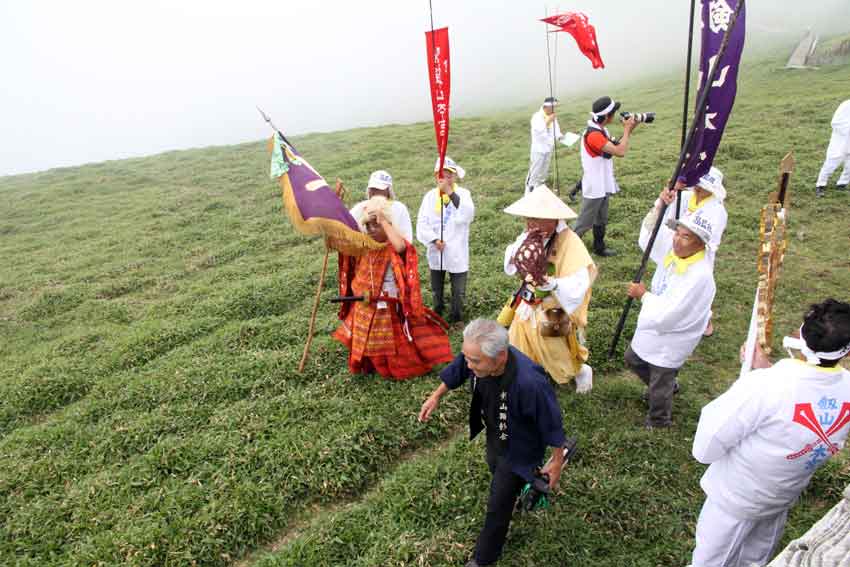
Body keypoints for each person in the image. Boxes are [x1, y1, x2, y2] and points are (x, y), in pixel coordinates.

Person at [688, 299, 850, 567]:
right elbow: (804, 396)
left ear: (802, 334)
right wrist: (766, 370)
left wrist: (757, 379)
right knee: (756, 557)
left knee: (711, 559)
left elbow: (707, 443)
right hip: (782, 494)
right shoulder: (842, 386)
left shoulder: (766, 385)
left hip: (736, 496)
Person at [418, 319, 567, 567]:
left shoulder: (529, 383)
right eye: (467, 357)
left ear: (500, 356)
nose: (468, 364)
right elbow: (459, 367)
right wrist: (436, 395)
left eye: (474, 361)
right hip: (497, 433)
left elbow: (551, 422)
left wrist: (558, 462)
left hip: (521, 445)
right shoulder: (477, 359)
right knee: (494, 465)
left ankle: (483, 559)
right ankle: (522, 484)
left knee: (498, 503)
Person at [333, 196, 452, 380]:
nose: (372, 229)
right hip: (365, 304)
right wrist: (335, 213)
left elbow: (401, 246)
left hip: (388, 304)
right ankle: (370, 366)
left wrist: (383, 220)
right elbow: (343, 245)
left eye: (376, 225)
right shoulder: (365, 245)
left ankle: (395, 368)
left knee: (392, 343)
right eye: (368, 226)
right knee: (367, 339)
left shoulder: (393, 245)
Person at [624, 200, 716, 428]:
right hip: (654, 326)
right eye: (677, 233)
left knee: (659, 378)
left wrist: (643, 296)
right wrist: (659, 204)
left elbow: (671, 314)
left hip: (672, 335)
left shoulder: (699, 276)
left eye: (686, 237)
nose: (676, 239)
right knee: (633, 358)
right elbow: (650, 235)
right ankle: (669, 387)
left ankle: (659, 420)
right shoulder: (676, 253)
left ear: (700, 245)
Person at [502, 185, 596, 392]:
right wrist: (520, 254)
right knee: (518, 342)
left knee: (556, 348)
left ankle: (580, 372)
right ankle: (529, 379)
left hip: (555, 304)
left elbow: (580, 281)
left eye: (536, 219)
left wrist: (552, 283)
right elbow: (512, 259)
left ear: (553, 219)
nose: (530, 224)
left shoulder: (570, 242)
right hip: (528, 301)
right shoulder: (530, 234)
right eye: (528, 219)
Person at [659, 167, 728, 336]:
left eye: (704, 187)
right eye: (697, 185)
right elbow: (670, 213)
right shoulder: (688, 197)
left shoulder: (717, 210)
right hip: (678, 248)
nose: (699, 189)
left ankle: (705, 320)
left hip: (698, 256)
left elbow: (711, 239)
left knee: (698, 289)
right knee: (673, 281)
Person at [572, 95, 639, 257]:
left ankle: (599, 247)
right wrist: (626, 130)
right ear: (607, 116)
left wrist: (631, 128)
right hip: (594, 186)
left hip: (603, 183)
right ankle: (565, 252)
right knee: (583, 223)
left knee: (601, 219)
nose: (616, 115)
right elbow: (620, 151)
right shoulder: (594, 135)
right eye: (614, 112)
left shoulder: (602, 130)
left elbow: (616, 145)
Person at [416, 157, 475, 324]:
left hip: (457, 250)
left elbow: (468, 214)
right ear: (436, 177)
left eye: (450, 175)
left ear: (454, 177)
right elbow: (422, 222)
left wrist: (450, 192)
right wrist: (434, 239)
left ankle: (456, 317)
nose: (446, 179)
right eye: (443, 176)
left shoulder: (463, 194)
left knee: (458, 289)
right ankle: (438, 312)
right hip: (437, 250)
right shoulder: (429, 197)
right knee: (436, 287)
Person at [349, 170, 414, 241]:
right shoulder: (361, 207)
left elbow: (407, 238)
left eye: (379, 189)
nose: (375, 192)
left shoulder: (399, 208)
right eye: (373, 189)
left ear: (388, 191)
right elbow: (346, 222)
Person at [524, 97, 565, 195]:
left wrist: (560, 137)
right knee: (534, 172)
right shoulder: (536, 117)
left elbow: (556, 130)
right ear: (546, 106)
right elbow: (539, 132)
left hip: (548, 149)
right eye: (553, 107)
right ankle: (528, 193)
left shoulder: (552, 117)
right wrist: (548, 121)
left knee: (543, 173)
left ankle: (539, 190)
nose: (554, 110)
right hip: (538, 150)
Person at [815, 99, 850, 197]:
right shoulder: (846, 105)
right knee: (831, 162)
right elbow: (835, 122)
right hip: (841, 140)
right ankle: (820, 185)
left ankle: (842, 184)